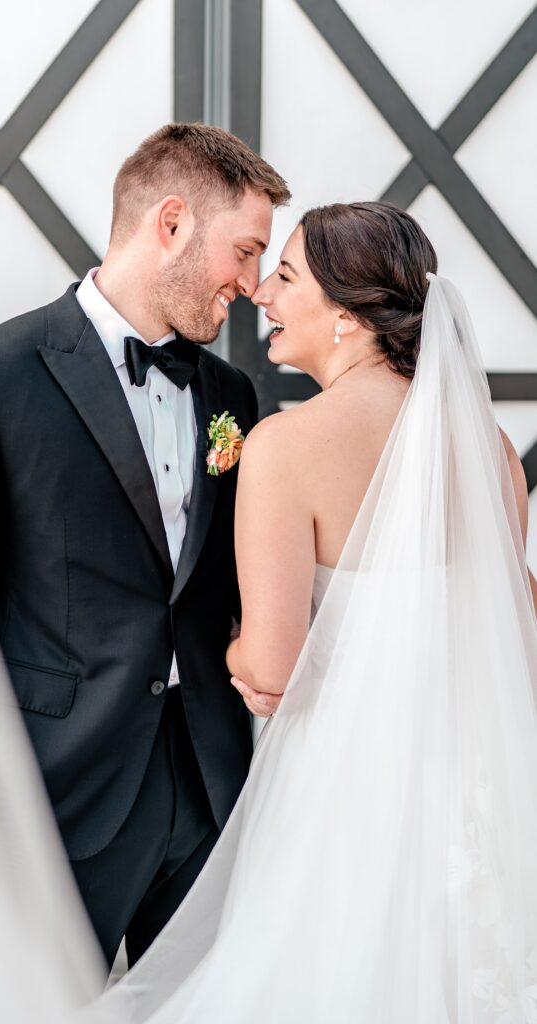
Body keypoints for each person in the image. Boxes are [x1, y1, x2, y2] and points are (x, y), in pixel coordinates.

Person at [81, 203, 537, 1022]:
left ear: (346, 317)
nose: (259, 292)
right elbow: (515, 622)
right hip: (476, 789)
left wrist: (230, 655)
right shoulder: (492, 450)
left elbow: (273, 669)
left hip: (347, 789)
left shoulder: (286, 447)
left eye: (285, 277)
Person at [0, 122, 290, 970]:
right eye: (245, 252)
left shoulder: (231, 394)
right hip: (52, 799)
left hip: (209, 790)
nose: (252, 285)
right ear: (171, 223)